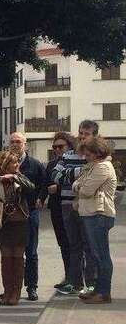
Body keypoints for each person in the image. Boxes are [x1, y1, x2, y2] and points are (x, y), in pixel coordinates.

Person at [52, 120, 99, 296]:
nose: (82, 136)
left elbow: (94, 176)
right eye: (80, 132)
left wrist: (68, 174)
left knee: (90, 246)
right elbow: (55, 175)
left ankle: (92, 284)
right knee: (74, 245)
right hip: (67, 206)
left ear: (94, 136)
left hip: (88, 206)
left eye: (86, 133)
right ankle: (75, 283)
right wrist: (79, 172)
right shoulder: (68, 155)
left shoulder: (95, 157)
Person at [73, 137, 117, 304]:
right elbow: (79, 184)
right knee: (96, 254)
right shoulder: (93, 166)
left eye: (88, 154)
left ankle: (104, 292)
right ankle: (99, 290)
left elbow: (86, 190)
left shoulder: (102, 167)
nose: (86, 157)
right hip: (92, 214)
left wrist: (79, 186)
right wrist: (80, 185)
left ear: (97, 152)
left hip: (99, 215)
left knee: (101, 254)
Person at [0, 150, 35, 306]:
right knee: (6, 258)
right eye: (13, 162)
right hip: (3, 222)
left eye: (17, 162)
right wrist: (2, 181)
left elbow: (31, 187)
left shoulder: (20, 177)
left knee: (18, 257)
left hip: (20, 221)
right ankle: (7, 290)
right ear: (4, 164)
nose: (16, 165)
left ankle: (16, 292)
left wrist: (15, 177)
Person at [8, 132, 45, 301]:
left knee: (31, 252)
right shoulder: (3, 163)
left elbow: (44, 184)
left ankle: (32, 287)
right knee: (12, 254)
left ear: (25, 144)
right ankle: (11, 288)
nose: (15, 144)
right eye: (12, 142)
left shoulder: (35, 164)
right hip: (9, 214)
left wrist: (41, 198)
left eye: (18, 141)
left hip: (30, 212)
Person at [40, 132, 75, 293]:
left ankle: (76, 279)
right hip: (56, 208)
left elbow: (79, 183)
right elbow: (45, 184)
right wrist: (41, 198)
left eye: (61, 146)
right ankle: (68, 277)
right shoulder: (51, 164)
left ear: (69, 146)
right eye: (54, 147)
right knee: (63, 244)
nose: (57, 149)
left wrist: (58, 188)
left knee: (74, 244)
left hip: (72, 207)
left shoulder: (75, 161)